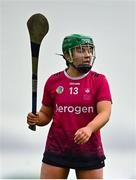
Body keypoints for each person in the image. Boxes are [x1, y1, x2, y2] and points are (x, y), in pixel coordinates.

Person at [27, 34, 112, 179]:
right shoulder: (54, 81)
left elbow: (105, 113)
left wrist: (89, 128)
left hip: (89, 150)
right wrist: (36, 118)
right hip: (57, 148)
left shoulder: (99, 80)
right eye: (81, 50)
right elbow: (46, 115)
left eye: (89, 50)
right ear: (67, 55)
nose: (87, 55)